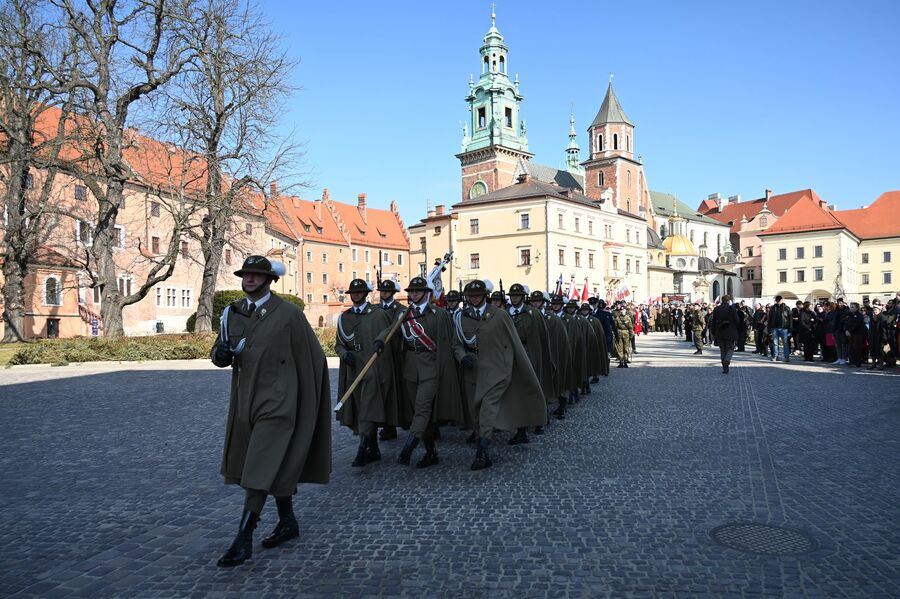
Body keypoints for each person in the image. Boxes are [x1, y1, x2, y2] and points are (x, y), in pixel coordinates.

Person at [211, 256, 331, 568]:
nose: (249, 279)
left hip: (280, 403)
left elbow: (313, 358)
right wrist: (220, 355)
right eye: (245, 274)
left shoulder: (289, 314)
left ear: (270, 280)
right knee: (271, 463)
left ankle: (243, 538)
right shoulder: (232, 313)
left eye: (256, 275)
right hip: (245, 401)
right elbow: (220, 353)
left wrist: (305, 399)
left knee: (259, 467)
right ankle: (288, 521)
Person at [456, 280, 547, 470]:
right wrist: (462, 356)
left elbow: (513, 342)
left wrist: (512, 366)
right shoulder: (460, 317)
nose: (474, 299)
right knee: (475, 411)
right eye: (471, 296)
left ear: (485, 296)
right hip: (472, 372)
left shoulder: (499, 315)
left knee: (487, 409)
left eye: (477, 295)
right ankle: (481, 439)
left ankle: (482, 452)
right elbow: (456, 343)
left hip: (496, 371)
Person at [386, 277, 465, 468]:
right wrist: (380, 341)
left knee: (422, 408)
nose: (413, 294)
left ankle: (408, 449)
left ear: (426, 293)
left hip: (431, 367)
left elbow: (450, 340)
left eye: (417, 291)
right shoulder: (404, 314)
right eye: (411, 291)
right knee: (420, 413)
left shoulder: (439, 314)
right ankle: (431, 452)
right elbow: (390, 331)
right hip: (410, 368)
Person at [335, 279, 397, 467]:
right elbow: (339, 344)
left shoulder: (377, 314)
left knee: (368, 409)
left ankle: (362, 449)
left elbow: (390, 332)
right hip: (353, 370)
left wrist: (380, 340)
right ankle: (374, 447)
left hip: (372, 369)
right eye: (353, 292)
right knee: (359, 409)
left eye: (359, 292)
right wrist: (344, 354)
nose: (355, 295)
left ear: (365, 294)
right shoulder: (344, 317)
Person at [506, 283, 553, 444]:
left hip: (530, 355)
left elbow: (542, 339)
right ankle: (521, 429)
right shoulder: (505, 313)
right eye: (512, 296)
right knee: (517, 393)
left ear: (523, 297)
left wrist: (539, 358)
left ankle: (539, 419)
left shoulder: (533, 314)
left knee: (532, 389)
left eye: (517, 296)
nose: (514, 298)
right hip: (511, 357)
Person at [531, 291, 571, 420]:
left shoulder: (553, 319)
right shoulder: (529, 317)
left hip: (555, 353)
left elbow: (563, 340)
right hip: (537, 355)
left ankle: (562, 405)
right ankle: (542, 414)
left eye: (538, 301)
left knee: (557, 381)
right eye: (533, 301)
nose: (535, 303)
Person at [375, 279, 404, 441]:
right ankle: (387, 425)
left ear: (393, 293)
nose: (384, 293)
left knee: (397, 390)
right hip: (379, 354)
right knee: (383, 390)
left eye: (387, 291)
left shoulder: (399, 309)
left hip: (395, 353)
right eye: (382, 291)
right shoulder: (375, 309)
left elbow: (395, 328)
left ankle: (395, 423)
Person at [710, 295, 740, 373]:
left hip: (720, 331)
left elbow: (713, 321)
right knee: (730, 348)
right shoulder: (732, 308)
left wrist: (713, 332)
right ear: (728, 300)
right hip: (731, 332)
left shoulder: (716, 309)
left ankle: (725, 368)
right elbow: (737, 321)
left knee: (722, 350)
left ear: (722, 300)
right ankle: (727, 360)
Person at [767, 295, 792, 362]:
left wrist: (790, 329)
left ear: (782, 300)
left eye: (779, 300)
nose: (778, 301)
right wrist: (769, 328)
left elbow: (790, 319)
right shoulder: (772, 308)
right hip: (774, 328)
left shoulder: (787, 308)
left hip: (784, 328)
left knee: (785, 344)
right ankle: (775, 356)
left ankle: (786, 357)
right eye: (777, 300)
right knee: (775, 343)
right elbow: (769, 318)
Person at [843, 302, 867, 367]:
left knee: (857, 348)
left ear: (857, 308)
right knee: (851, 348)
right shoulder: (848, 315)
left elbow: (856, 324)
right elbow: (845, 323)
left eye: (853, 307)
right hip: (849, 334)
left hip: (857, 334)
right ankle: (851, 362)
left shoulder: (859, 315)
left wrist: (849, 331)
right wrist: (846, 330)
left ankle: (857, 363)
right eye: (851, 307)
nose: (851, 308)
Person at [612, 303, 633, 367]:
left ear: (625, 311)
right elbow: (615, 327)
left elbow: (630, 327)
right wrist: (615, 334)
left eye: (623, 310)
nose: (622, 311)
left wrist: (631, 334)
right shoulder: (617, 318)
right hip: (619, 333)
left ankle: (625, 361)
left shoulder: (628, 318)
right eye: (621, 310)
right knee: (619, 348)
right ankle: (621, 361)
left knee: (626, 348)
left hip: (626, 333)